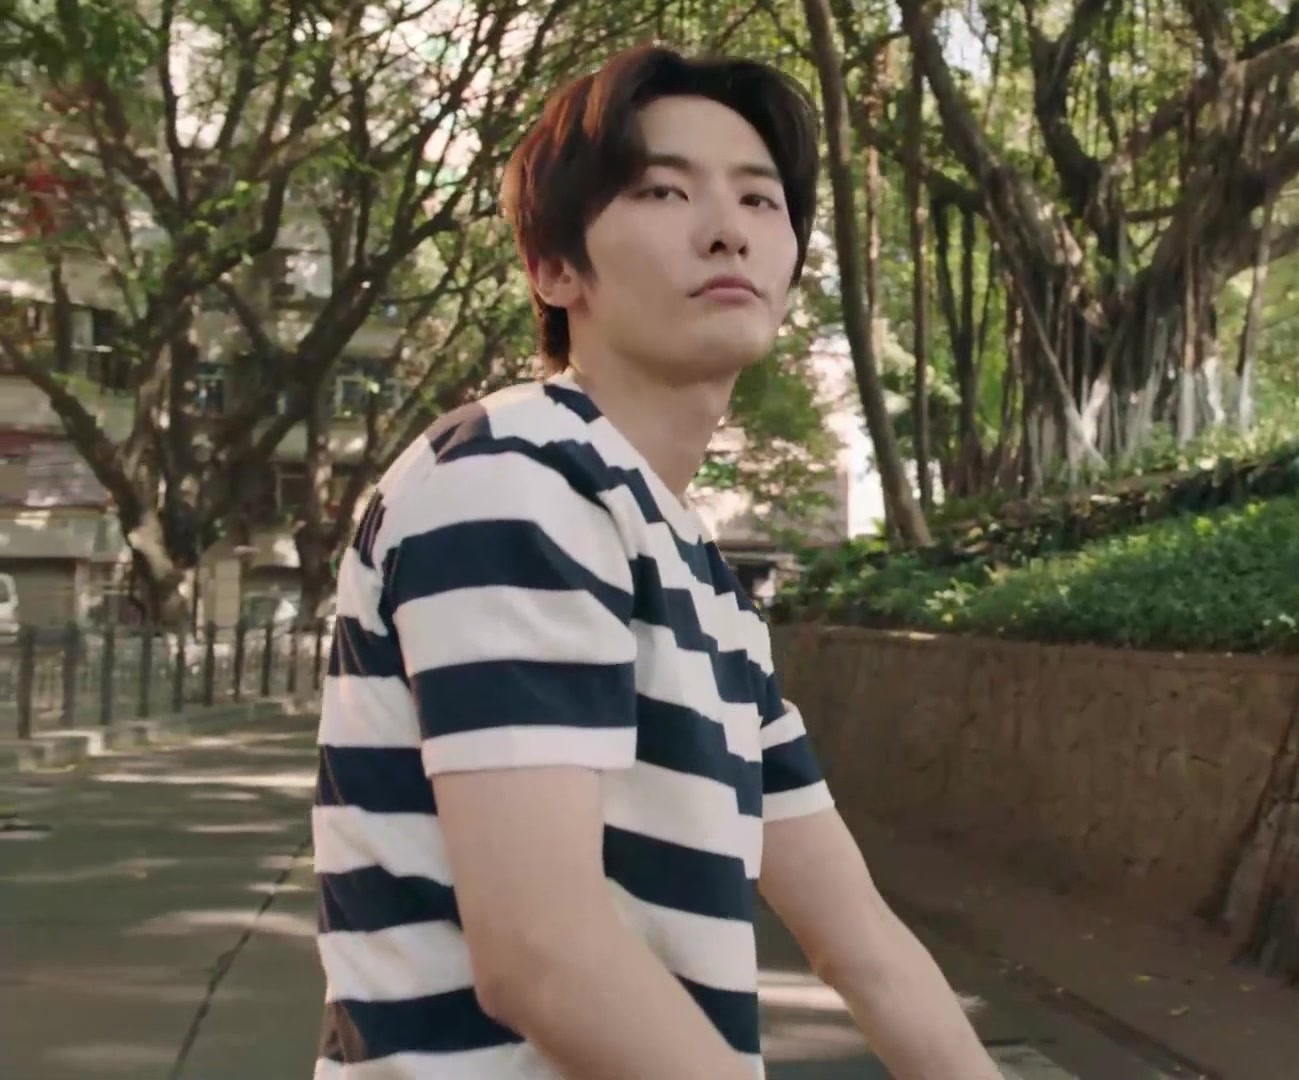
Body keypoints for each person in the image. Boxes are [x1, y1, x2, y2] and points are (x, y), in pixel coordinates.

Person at [310, 43, 1002, 1080]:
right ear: (555, 268)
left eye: (761, 201)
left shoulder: (701, 579)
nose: (727, 228)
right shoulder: (510, 480)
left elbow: (860, 940)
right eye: (663, 190)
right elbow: (543, 956)